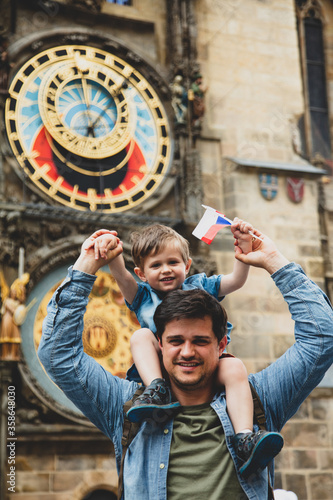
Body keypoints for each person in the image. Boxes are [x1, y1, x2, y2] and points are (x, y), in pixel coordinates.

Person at [38, 224, 333, 499]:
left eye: (201, 341)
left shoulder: (258, 399)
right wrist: (87, 264)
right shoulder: (129, 410)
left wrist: (273, 260)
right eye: (176, 341)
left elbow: (322, 337)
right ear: (160, 345)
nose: (188, 352)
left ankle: (246, 442)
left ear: (221, 344)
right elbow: (57, 355)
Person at [88, 221, 283, 478]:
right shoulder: (141, 296)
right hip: (162, 367)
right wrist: (112, 256)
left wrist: (244, 251)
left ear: (187, 265)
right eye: (156, 265)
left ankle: (245, 438)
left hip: (205, 366)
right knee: (141, 335)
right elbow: (122, 277)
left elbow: (235, 281)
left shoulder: (199, 285)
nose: (166, 270)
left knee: (235, 367)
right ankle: (156, 389)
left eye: (173, 262)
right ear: (142, 273)